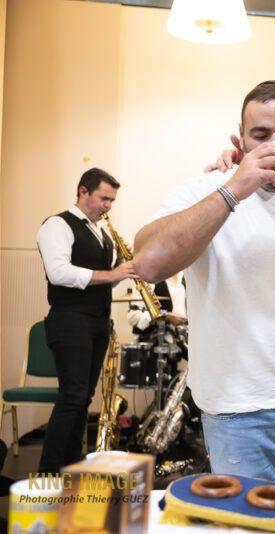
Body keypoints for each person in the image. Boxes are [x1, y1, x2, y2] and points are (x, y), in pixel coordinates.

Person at [133, 81, 275, 482]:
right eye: (261, 134)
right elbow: (147, 264)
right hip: (238, 412)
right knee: (252, 516)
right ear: (241, 136)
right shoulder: (205, 190)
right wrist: (235, 188)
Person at [36, 168, 137, 473]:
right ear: (83, 191)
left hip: (96, 323)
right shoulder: (57, 225)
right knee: (73, 396)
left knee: (83, 399)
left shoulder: (102, 234)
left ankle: (70, 469)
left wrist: (123, 269)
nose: (108, 206)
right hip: (70, 321)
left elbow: (104, 281)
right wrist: (113, 272)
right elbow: (59, 273)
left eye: (112, 200)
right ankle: (48, 474)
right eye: (104, 198)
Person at [127, 272, 187, 339]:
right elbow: (133, 316)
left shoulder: (184, 274)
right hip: (155, 340)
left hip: (182, 339)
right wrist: (166, 316)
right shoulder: (147, 277)